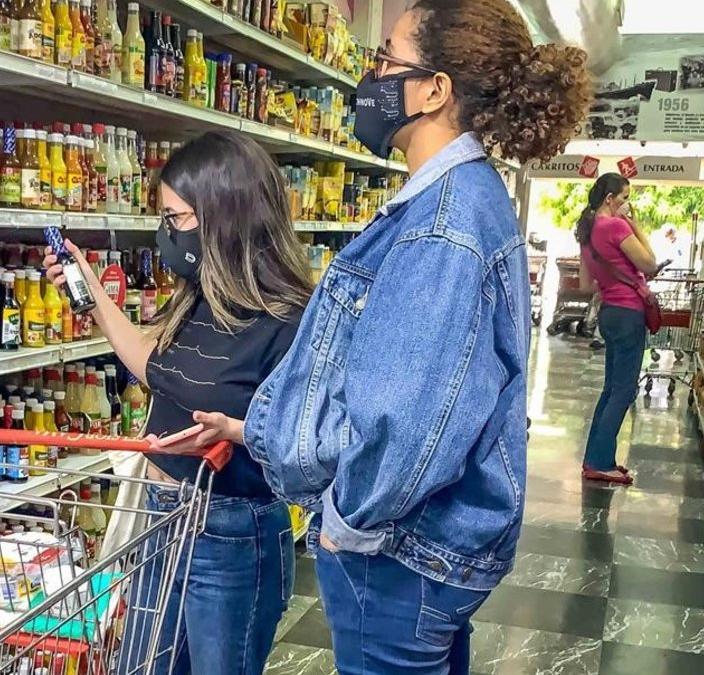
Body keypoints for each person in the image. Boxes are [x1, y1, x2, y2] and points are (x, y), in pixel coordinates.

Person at [152, 1, 592, 671]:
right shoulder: (458, 202)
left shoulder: (442, 226)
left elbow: (403, 425)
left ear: (434, 88)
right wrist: (252, 431)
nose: (373, 74)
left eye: (387, 57)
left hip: (400, 557)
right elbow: (395, 389)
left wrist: (345, 524)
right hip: (426, 551)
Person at [43, 130, 313, 675]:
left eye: (177, 218)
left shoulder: (292, 319)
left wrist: (237, 431)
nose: (167, 233)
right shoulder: (198, 295)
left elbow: (306, 442)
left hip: (231, 531)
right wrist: (92, 293)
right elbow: (155, 366)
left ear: (226, 217)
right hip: (160, 519)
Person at [575, 173, 658, 485]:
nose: (627, 204)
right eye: (624, 198)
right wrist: (635, 225)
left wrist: (611, 281)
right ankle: (598, 462)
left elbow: (585, 285)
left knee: (611, 388)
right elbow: (649, 263)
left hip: (608, 313)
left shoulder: (585, 231)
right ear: (610, 198)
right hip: (628, 313)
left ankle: (598, 458)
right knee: (624, 390)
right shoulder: (616, 226)